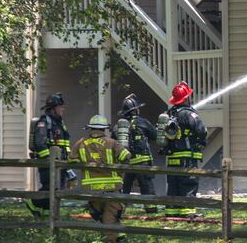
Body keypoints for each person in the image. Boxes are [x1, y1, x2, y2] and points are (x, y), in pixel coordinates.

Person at [69, 114, 131, 243]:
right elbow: (126, 156)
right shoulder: (112, 143)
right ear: (104, 129)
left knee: (101, 215)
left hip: (91, 189)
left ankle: (118, 236)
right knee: (111, 217)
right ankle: (113, 239)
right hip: (112, 188)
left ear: (90, 128)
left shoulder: (81, 143)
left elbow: (72, 159)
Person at [161, 81, 207, 218]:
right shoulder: (187, 113)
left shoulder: (169, 113)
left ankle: (171, 212)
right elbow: (202, 130)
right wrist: (200, 142)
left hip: (172, 158)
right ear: (186, 98)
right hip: (187, 158)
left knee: (173, 185)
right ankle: (188, 213)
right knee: (188, 183)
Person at [26, 93, 71, 219]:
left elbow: (64, 144)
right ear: (53, 108)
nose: (63, 109)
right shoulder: (44, 122)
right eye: (60, 106)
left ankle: (47, 217)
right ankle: (32, 201)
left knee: (56, 189)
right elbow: (40, 144)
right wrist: (49, 161)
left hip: (59, 163)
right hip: (48, 163)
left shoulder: (59, 123)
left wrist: (66, 161)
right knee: (49, 188)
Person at [115, 93, 158, 213]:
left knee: (124, 189)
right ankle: (151, 212)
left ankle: (119, 210)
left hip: (126, 164)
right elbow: (155, 136)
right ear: (135, 110)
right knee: (147, 188)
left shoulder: (119, 126)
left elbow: (114, 141)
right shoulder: (142, 122)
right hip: (142, 163)